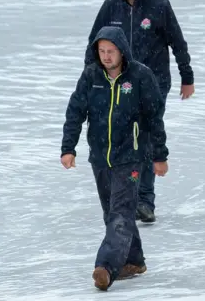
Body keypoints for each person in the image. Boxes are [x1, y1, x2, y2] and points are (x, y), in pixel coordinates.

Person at [84, 0, 193, 223]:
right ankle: (125, 194)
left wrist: (186, 76)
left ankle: (145, 200)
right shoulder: (110, 6)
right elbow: (94, 43)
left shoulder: (159, 6)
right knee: (123, 137)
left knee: (143, 136)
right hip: (119, 83)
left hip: (154, 82)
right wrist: (91, 77)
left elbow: (177, 43)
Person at [62, 26, 169, 291]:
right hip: (100, 156)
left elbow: (155, 118)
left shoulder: (140, 76)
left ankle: (106, 267)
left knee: (120, 213)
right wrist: (68, 147)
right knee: (112, 213)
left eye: (111, 51)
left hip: (131, 157)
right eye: (102, 51)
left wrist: (159, 155)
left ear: (122, 51)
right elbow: (75, 111)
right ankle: (134, 261)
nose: (106, 56)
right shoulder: (91, 76)